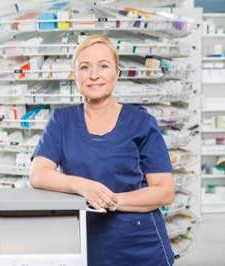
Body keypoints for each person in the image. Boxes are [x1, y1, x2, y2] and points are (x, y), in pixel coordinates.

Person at [29, 34, 175, 266]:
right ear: (74, 75)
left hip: (139, 244)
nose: (94, 75)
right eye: (84, 67)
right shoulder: (61, 121)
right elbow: (38, 174)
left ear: (116, 73)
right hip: (83, 239)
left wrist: (112, 200)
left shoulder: (141, 122)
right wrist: (84, 186)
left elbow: (164, 190)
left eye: (104, 66)